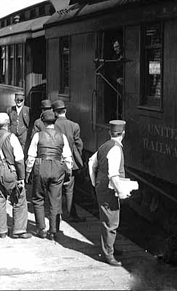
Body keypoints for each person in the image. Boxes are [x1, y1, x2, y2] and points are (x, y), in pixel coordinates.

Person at [26, 110, 73, 240]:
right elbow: (67, 156)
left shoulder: (38, 136)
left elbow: (31, 156)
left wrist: (28, 171)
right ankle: (53, 230)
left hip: (41, 167)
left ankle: (41, 229)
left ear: (43, 121)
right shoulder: (62, 136)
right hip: (58, 167)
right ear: (55, 121)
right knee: (55, 200)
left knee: (38, 198)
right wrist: (68, 170)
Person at [88, 120, 127, 267]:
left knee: (110, 218)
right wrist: (121, 191)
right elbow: (113, 175)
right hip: (109, 187)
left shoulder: (105, 146)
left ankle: (110, 247)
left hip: (103, 185)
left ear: (109, 133)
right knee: (111, 221)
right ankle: (108, 255)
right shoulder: (116, 149)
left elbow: (91, 162)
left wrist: (94, 181)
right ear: (123, 133)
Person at [0, 113, 31, 239]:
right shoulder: (12, 138)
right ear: (8, 123)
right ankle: (19, 230)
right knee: (19, 199)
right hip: (9, 172)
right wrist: (21, 178)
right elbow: (19, 160)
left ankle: (2, 231)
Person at [52, 100, 86, 223]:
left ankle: (57, 215)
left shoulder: (52, 126)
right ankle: (71, 214)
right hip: (70, 163)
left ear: (55, 112)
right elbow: (79, 145)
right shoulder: (74, 125)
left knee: (56, 189)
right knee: (70, 190)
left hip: (55, 162)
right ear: (65, 111)